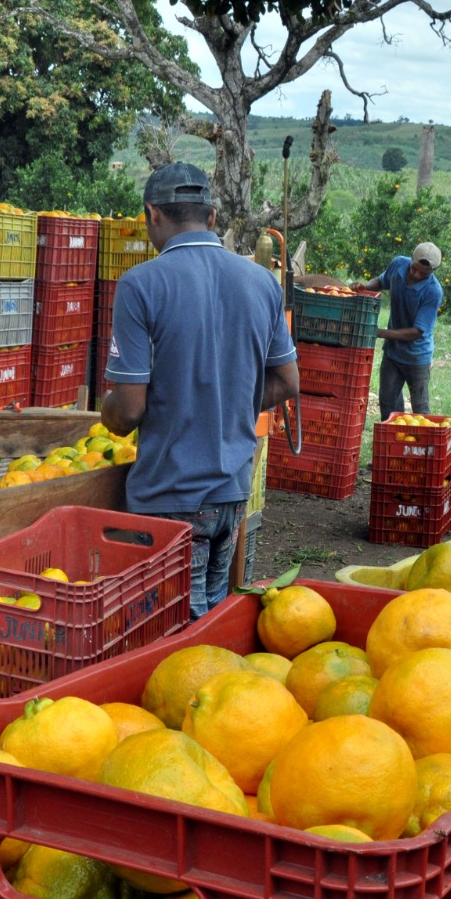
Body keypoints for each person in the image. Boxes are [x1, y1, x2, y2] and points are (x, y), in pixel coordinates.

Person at [101, 162, 299, 619]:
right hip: (232, 491)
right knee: (210, 618)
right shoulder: (262, 282)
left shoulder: (140, 284)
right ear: (212, 217)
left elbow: (128, 409)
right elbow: (288, 382)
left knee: (173, 631)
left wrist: (106, 414)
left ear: (153, 214)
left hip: (170, 499)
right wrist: (231, 402)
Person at [353, 242, 444, 420]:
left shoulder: (433, 291)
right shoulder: (398, 264)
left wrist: (380, 333)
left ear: (432, 272)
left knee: (420, 410)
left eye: (423, 274)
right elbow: (381, 281)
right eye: (414, 269)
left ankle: (421, 445)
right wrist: (364, 287)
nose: (416, 275)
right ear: (411, 260)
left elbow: (417, 331)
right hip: (393, 354)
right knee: (388, 404)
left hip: (417, 358)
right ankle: (393, 443)